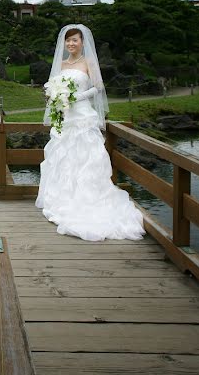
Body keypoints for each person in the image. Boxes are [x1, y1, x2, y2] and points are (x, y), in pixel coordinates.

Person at [35, 24, 144, 241]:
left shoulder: (88, 62)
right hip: (65, 119)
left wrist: (76, 97)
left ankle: (87, 198)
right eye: (68, 40)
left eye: (75, 40)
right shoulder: (62, 64)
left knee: (87, 158)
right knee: (64, 157)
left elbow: (99, 87)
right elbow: (52, 87)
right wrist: (54, 96)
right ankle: (64, 198)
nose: (71, 43)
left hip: (83, 117)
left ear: (82, 42)